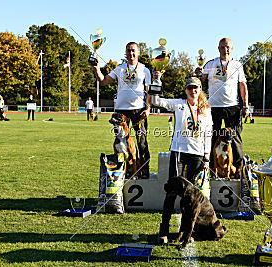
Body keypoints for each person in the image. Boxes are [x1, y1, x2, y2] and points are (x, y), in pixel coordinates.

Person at [155, 76, 212, 245]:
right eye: (189, 88)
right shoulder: (179, 104)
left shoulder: (206, 110)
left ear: (200, 89)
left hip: (197, 155)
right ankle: (163, 231)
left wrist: (207, 158)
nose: (193, 91)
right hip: (179, 152)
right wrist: (158, 80)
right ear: (185, 90)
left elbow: (208, 134)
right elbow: (157, 101)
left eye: (195, 88)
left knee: (189, 197)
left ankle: (183, 232)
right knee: (171, 193)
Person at [91, 42, 151, 179]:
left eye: (133, 51)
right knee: (120, 143)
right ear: (125, 52)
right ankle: (122, 169)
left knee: (142, 142)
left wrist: (148, 109)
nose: (131, 53)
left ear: (138, 52)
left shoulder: (144, 70)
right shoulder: (120, 69)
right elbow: (103, 81)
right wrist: (96, 68)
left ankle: (144, 169)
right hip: (121, 111)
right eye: (128, 51)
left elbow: (149, 93)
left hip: (139, 110)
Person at [196, 37, 249, 173]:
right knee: (212, 136)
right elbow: (201, 82)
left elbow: (242, 86)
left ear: (232, 49)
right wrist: (199, 74)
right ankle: (211, 168)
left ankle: (238, 169)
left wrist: (245, 105)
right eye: (222, 47)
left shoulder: (237, 65)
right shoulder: (210, 64)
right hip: (214, 107)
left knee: (235, 137)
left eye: (228, 47)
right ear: (218, 48)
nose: (225, 49)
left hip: (233, 106)